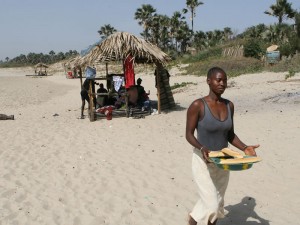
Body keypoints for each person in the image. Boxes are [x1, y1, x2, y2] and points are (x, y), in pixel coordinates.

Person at [185, 67, 259, 225]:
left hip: (223, 160)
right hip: (202, 160)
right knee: (211, 205)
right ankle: (192, 220)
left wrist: (245, 147)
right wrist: (202, 147)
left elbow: (230, 134)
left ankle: (193, 218)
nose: (222, 83)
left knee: (217, 203)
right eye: (218, 80)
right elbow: (189, 135)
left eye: (224, 80)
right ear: (208, 81)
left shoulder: (229, 105)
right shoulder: (197, 105)